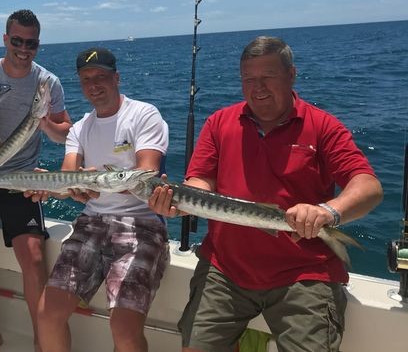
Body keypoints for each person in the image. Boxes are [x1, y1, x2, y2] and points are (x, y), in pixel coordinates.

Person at [149, 36, 384, 352]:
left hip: (303, 272)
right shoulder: (219, 123)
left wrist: (329, 211)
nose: (257, 87)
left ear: (291, 75)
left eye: (268, 77)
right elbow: (201, 180)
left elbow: (368, 186)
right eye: (248, 79)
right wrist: (180, 202)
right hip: (225, 268)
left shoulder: (323, 126)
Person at [36, 47, 170, 352]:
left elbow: (146, 175)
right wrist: (49, 185)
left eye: (101, 76)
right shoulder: (79, 128)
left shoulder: (143, 114)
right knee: (47, 314)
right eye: (86, 79)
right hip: (91, 223)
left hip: (141, 223)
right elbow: (68, 177)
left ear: (116, 78)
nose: (93, 85)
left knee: (124, 330)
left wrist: (93, 182)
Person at [0, 9, 72, 352]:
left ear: (38, 44)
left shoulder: (48, 82)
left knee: (34, 260)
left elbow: (65, 133)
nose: (24, 48)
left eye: (31, 43)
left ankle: (40, 342)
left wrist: (44, 122)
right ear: (6, 39)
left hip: (23, 180)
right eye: (17, 41)